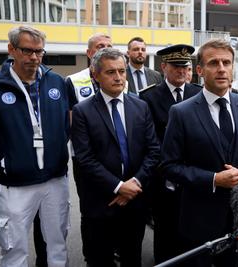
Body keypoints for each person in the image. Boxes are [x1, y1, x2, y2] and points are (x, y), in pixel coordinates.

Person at [160, 38, 238, 266]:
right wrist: (215, 179)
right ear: (199, 70)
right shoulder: (181, 112)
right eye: (213, 63)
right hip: (199, 219)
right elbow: (169, 166)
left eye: (226, 63)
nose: (221, 68)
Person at [0, 25, 70, 267]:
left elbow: (66, 124)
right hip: (16, 183)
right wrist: (4, 160)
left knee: (57, 243)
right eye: (27, 51)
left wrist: (59, 152)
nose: (34, 57)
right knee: (13, 247)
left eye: (39, 52)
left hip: (55, 180)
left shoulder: (56, 82)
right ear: (11, 49)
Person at [71, 48, 160, 267]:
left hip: (135, 202)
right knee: (100, 259)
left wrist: (134, 184)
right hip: (101, 202)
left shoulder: (141, 106)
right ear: (95, 75)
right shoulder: (82, 111)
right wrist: (118, 186)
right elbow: (85, 159)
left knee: (132, 257)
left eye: (121, 71)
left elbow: (153, 151)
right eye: (111, 72)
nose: (118, 77)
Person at [139, 44, 201, 263]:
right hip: (164, 175)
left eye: (186, 66)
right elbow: (149, 141)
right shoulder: (149, 98)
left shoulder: (199, 93)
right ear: (163, 67)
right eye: (176, 66)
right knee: (165, 229)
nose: (182, 71)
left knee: (193, 229)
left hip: (195, 174)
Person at [65, 32, 113, 265]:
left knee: (115, 203)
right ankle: (92, 254)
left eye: (108, 46)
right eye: (99, 46)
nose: (104, 49)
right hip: (85, 157)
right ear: (88, 52)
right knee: (91, 208)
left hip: (114, 156)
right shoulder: (74, 81)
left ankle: (112, 249)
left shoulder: (117, 76)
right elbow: (71, 121)